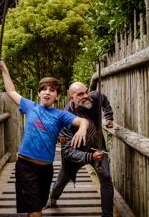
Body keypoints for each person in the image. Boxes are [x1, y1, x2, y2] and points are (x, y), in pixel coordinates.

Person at [0, 61, 89, 217]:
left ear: (57, 96)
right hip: (26, 166)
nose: (47, 92)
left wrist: (83, 128)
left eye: (52, 90)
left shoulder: (60, 115)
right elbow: (11, 91)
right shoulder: (30, 107)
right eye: (44, 89)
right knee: (36, 212)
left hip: (46, 169)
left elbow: (83, 121)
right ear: (39, 93)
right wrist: (4, 70)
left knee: (35, 207)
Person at [46, 82, 114, 217]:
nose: (86, 96)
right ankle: (53, 198)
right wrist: (89, 157)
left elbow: (104, 100)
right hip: (75, 154)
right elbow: (66, 151)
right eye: (80, 94)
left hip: (97, 147)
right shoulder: (64, 118)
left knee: (106, 178)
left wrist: (109, 117)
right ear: (71, 98)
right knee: (62, 179)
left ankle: (107, 215)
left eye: (86, 92)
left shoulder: (93, 97)